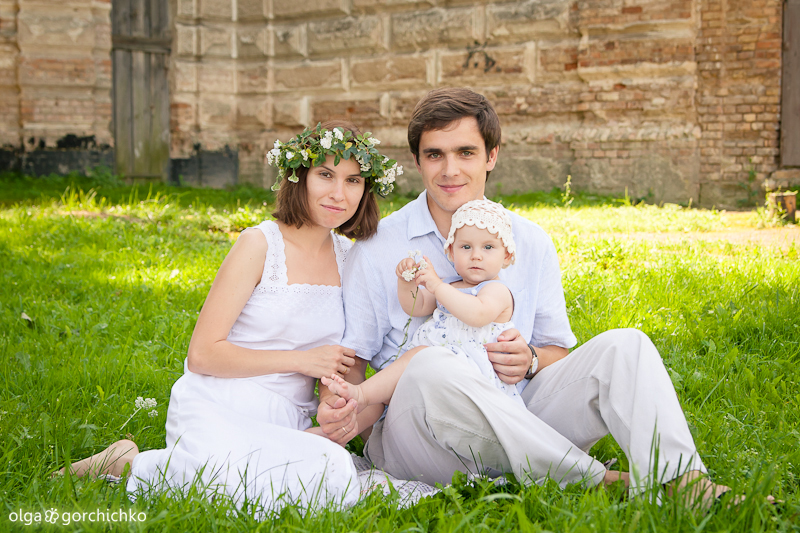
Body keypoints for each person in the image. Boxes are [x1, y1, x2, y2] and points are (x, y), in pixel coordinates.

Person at [317, 87, 740, 506]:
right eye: (435, 155)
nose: (450, 170)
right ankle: (598, 480)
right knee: (429, 364)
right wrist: (346, 417)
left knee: (625, 346)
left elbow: (557, 351)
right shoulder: (378, 246)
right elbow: (352, 362)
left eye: (466, 152)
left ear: (491, 156)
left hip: (514, 406)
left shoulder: (529, 241)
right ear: (417, 161)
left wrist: (531, 360)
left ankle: (685, 481)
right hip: (421, 435)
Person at [58, 121, 403, 514]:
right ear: (300, 177)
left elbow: (337, 364)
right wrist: (301, 360)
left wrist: (332, 408)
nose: (339, 193)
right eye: (325, 175)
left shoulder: (351, 259)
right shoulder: (259, 244)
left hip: (287, 415)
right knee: (233, 488)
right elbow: (202, 355)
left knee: (331, 474)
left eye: (353, 180)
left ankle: (158, 464)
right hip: (219, 401)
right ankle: (127, 462)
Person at [322, 198, 525, 411]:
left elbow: (478, 314)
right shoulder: (450, 285)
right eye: (466, 247)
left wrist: (437, 286)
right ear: (451, 252)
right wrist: (407, 283)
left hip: (471, 378)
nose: (476, 255)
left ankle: (363, 395)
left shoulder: (496, 290)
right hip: (435, 373)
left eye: (488, 247)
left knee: (418, 356)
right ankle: (356, 404)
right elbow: (417, 307)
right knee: (401, 378)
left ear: (507, 256)